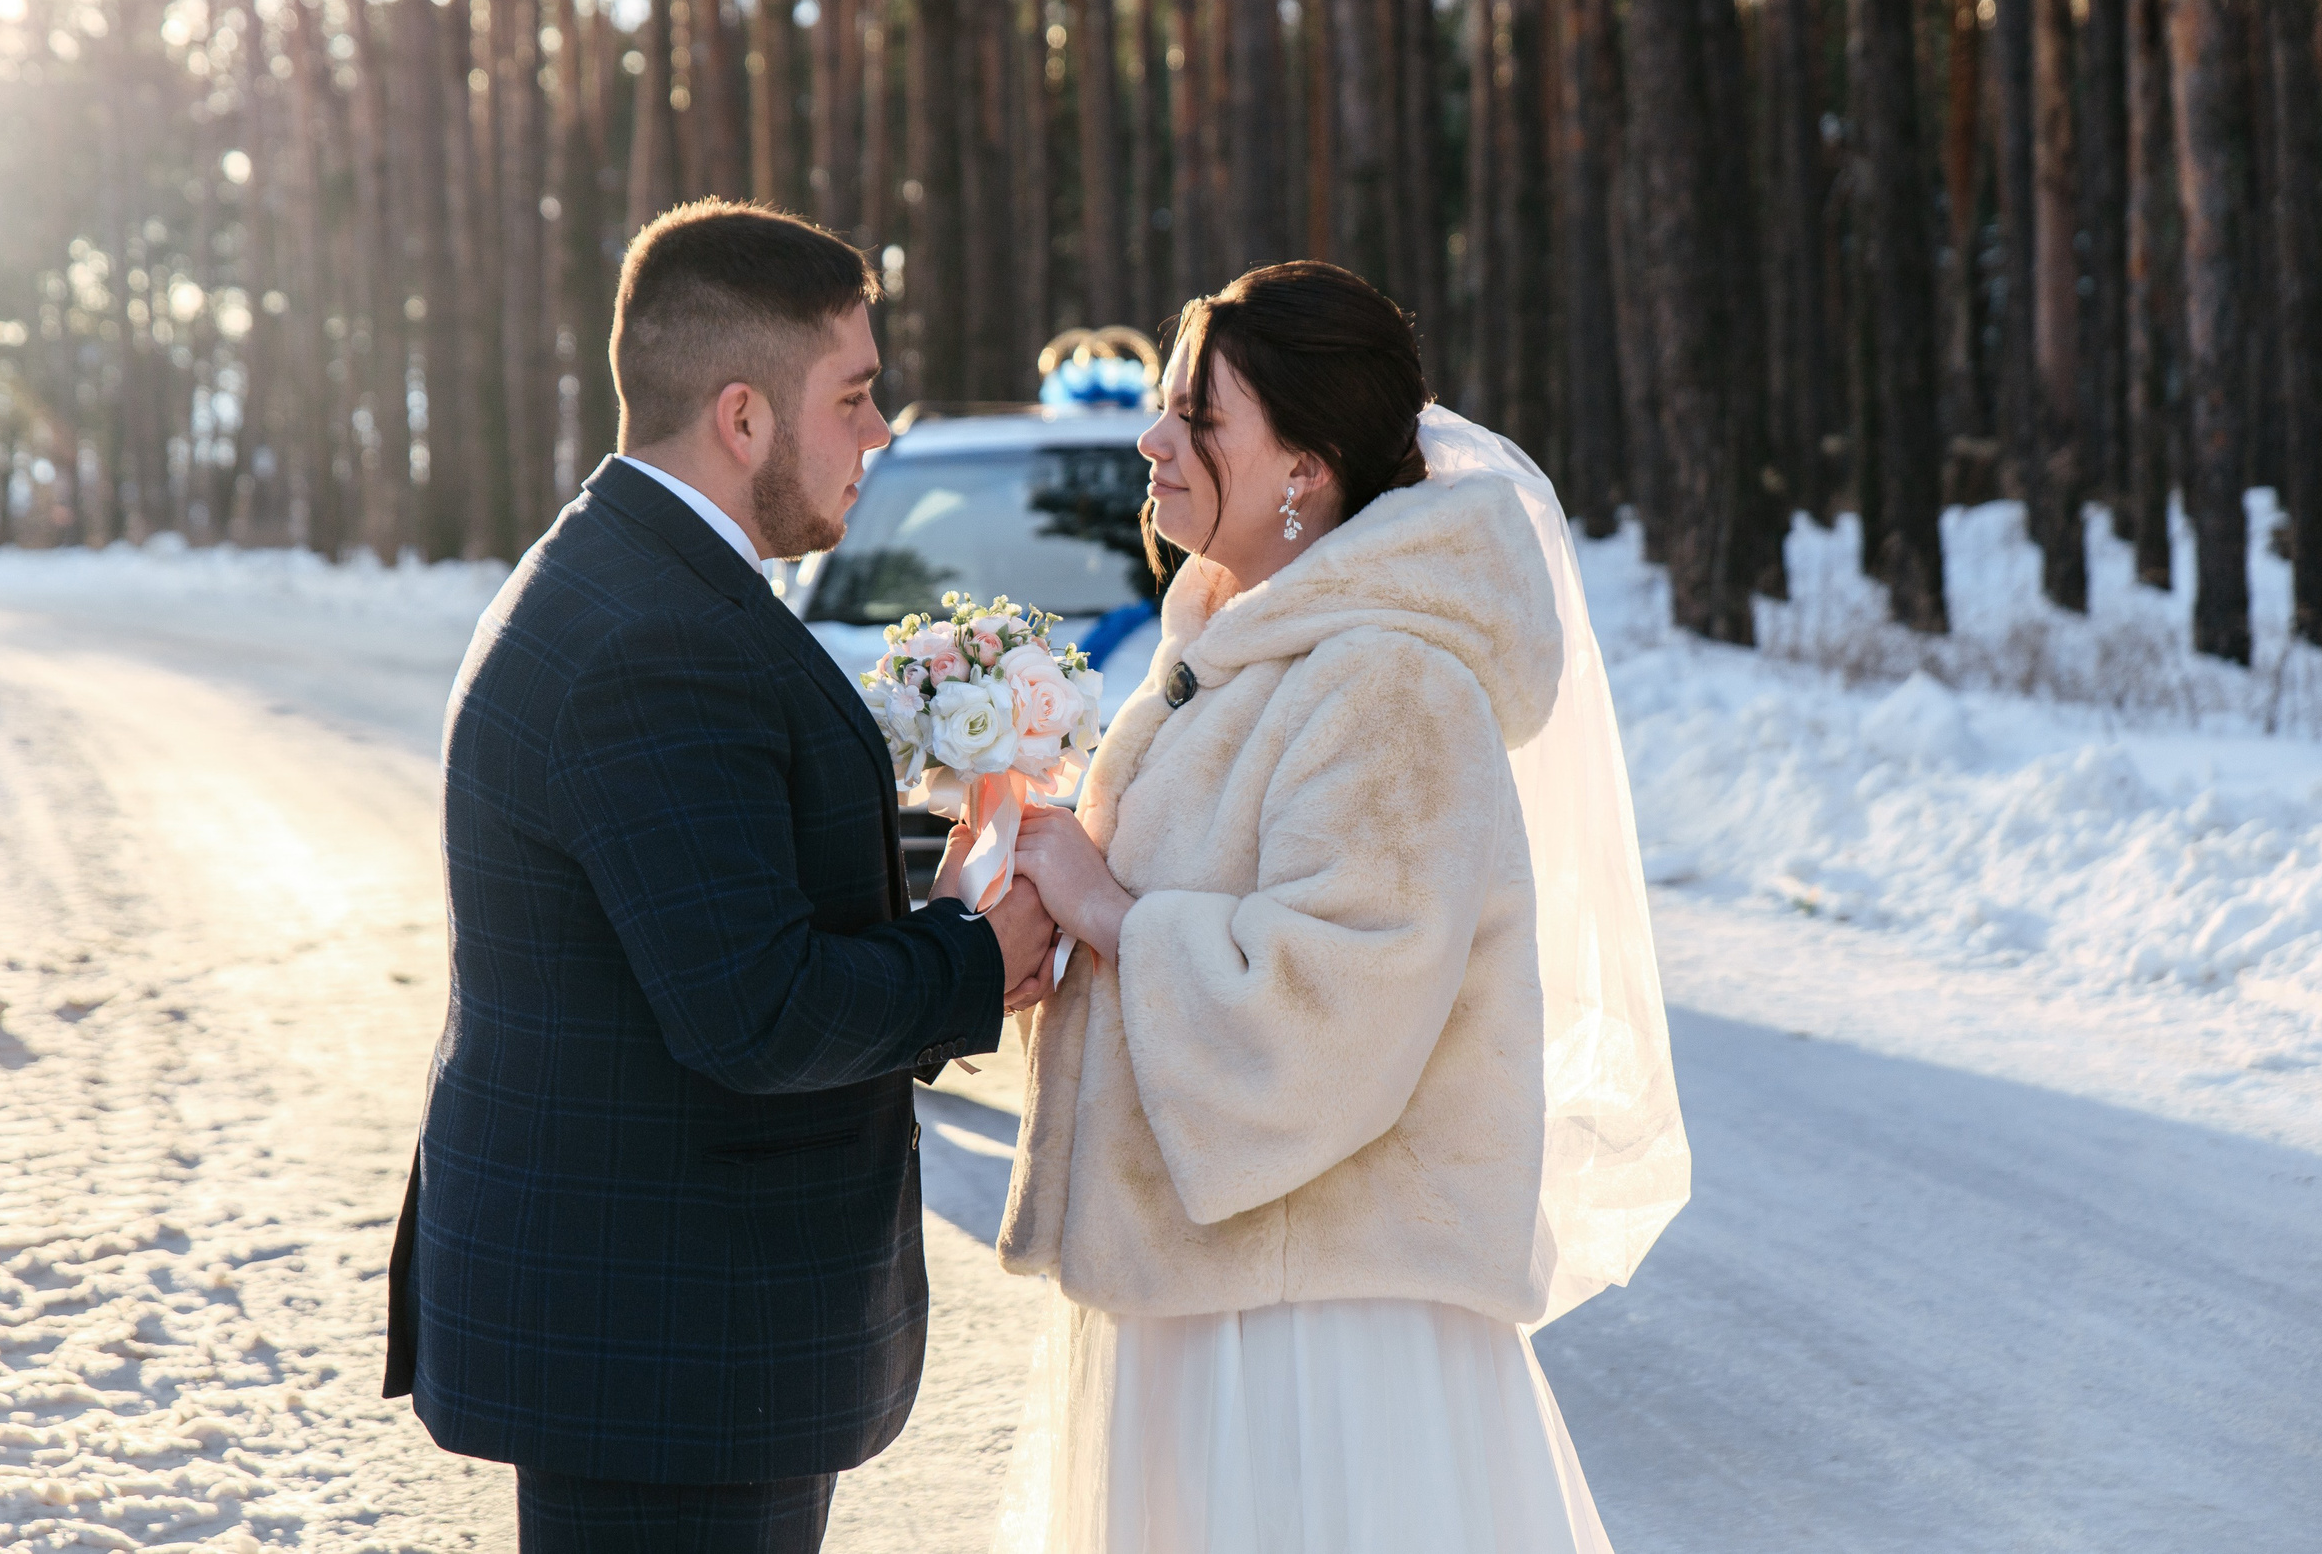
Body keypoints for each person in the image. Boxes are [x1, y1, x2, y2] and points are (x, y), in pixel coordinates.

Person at [382, 199, 1061, 1553]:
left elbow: (704, 908)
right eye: (856, 397)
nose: (881, 433)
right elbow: (752, 1007)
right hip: (667, 1345)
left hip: (650, 1331)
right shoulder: (656, 640)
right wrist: (977, 959)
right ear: (744, 418)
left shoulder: (638, 577)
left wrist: (940, 878)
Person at [993, 261, 1691, 1553]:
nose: (1153, 441)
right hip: (1216, 1297)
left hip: (1312, 1336)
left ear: (1303, 466)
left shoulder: (1389, 678)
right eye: (1164, 407)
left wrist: (1104, 911)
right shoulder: (1235, 645)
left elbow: (1332, 1010)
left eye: (1197, 418)